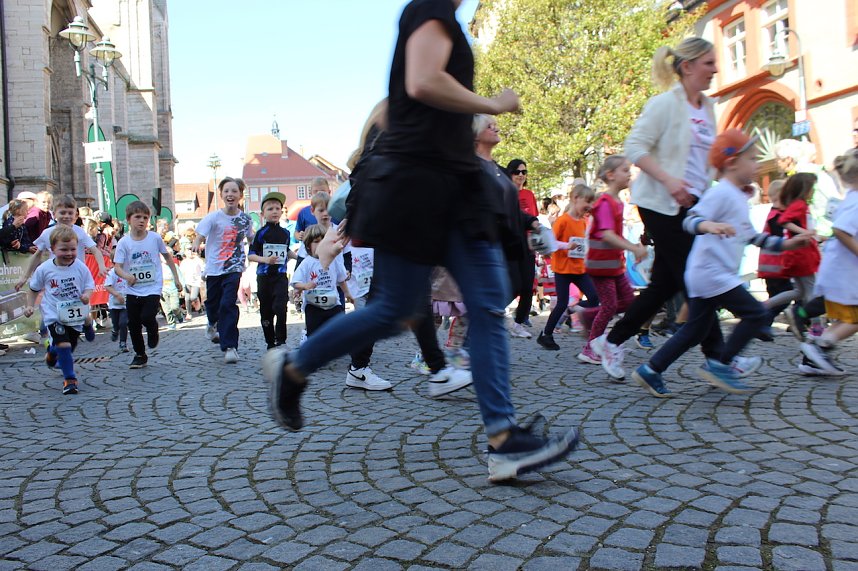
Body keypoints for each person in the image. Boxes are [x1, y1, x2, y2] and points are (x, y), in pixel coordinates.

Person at [265, 0, 579, 483]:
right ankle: (294, 367)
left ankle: (503, 440)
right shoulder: (429, 8)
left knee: (486, 304)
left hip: (457, 190)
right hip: (418, 194)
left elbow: (394, 105)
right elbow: (423, 82)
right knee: (393, 312)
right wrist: (491, 104)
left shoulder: (444, 20)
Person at [631, 129, 810, 397]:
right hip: (711, 274)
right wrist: (709, 226)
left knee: (695, 330)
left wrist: (788, 244)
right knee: (757, 314)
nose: (757, 164)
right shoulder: (721, 193)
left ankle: (651, 370)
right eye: (752, 159)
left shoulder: (737, 196)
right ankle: (721, 365)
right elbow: (690, 221)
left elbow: (753, 237)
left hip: (709, 274)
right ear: (732, 163)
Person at [591, 37, 721, 380]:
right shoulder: (665, 104)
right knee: (695, 278)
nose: (715, 69)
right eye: (709, 63)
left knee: (664, 283)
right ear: (687, 66)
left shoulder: (708, 107)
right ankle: (719, 358)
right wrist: (670, 181)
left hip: (693, 205)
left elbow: (705, 158)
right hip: (660, 203)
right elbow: (635, 147)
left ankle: (611, 340)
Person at [582, 157, 648, 364]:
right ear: (611, 175)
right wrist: (633, 248)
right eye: (625, 170)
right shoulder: (605, 202)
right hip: (601, 265)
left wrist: (632, 249)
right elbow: (607, 234)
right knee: (610, 306)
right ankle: (590, 348)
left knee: (628, 302)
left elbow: (615, 235)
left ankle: (589, 315)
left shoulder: (618, 202)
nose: (629, 174)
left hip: (614, 264)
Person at [16, 195, 107, 342]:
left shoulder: (79, 232)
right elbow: (37, 254)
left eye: (70, 213)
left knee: (80, 305)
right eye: (62, 212)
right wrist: (24, 276)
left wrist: (101, 266)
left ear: (75, 215)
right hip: (56, 275)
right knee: (53, 308)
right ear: (54, 214)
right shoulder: (47, 233)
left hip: (77, 275)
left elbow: (95, 250)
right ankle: (52, 337)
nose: (66, 216)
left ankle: (87, 322)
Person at [800, 148, 858, 375]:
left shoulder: (851, 198)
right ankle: (821, 345)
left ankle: (812, 357)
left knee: (846, 317)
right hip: (844, 273)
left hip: (841, 271)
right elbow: (841, 230)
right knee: (853, 318)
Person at [23, 225, 95, 395]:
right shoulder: (45, 269)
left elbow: (89, 285)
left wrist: (86, 295)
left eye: (73, 249)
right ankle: (70, 379)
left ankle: (53, 351)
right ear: (53, 249)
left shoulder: (80, 267)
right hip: (54, 314)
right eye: (64, 250)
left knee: (69, 346)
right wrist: (30, 305)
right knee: (64, 344)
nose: (69, 253)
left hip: (74, 312)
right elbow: (33, 289)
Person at [113, 200, 182, 369]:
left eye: (145, 217)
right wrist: (127, 276)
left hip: (152, 286)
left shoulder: (155, 238)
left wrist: (176, 278)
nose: (142, 221)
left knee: (147, 316)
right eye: (137, 217)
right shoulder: (124, 243)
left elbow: (167, 257)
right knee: (133, 323)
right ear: (128, 220)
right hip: (133, 288)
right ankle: (140, 355)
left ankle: (153, 328)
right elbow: (117, 267)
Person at [193, 177, 254, 364]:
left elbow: (251, 238)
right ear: (221, 195)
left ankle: (230, 347)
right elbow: (200, 235)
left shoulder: (245, 219)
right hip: (214, 268)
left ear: (240, 195)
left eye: (234, 191)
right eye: (226, 191)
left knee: (228, 304)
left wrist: (258, 249)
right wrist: (196, 243)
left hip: (234, 267)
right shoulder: (213, 217)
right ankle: (212, 322)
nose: (230, 194)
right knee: (213, 305)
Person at [537, 184, 599, 351]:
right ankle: (546, 335)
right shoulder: (563, 220)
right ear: (575, 199)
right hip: (563, 269)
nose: (589, 206)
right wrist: (567, 246)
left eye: (591, 202)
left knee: (594, 297)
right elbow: (551, 243)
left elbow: (583, 244)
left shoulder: (583, 222)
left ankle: (573, 309)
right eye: (587, 201)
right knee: (561, 303)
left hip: (579, 269)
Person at [761, 173, 821, 317]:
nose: (814, 191)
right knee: (812, 291)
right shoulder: (799, 204)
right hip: (801, 255)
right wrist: (805, 232)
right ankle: (812, 324)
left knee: (799, 292)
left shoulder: (796, 205)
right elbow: (784, 221)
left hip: (795, 255)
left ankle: (764, 305)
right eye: (812, 187)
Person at [248, 191, 294, 349]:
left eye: (277, 208)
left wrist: (298, 257)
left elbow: (286, 251)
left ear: (282, 211)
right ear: (263, 214)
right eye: (270, 209)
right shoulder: (260, 234)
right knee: (266, 310)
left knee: (281, 308)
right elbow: (251, 255)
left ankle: (281, 340)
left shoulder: (285, 233)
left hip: (280, 276)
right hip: (264, 277)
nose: (274, 211)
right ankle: (270, 341)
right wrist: (265, 260)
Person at [503, 157, 538, 334]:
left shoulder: (529, 195)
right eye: (517, 171)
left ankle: (519, 323)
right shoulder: (505, 193)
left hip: (528, 244)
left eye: (524, 171)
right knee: (515, 284)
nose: (521, 175)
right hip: (510, 243)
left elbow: (533, 218)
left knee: (528, 286)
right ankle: (492, 310)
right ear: (510, 173)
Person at [103, 260, 129, 352]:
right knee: (116, 323)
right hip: (114, 304)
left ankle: (123, 343)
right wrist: (117, 295)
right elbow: (107, 286)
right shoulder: (112, 273)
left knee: (123, 323)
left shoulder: (128, 270)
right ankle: (115, 330)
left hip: (126, 303)